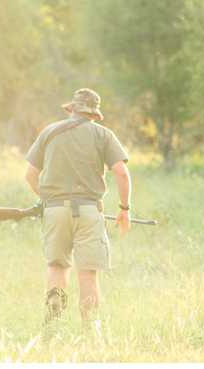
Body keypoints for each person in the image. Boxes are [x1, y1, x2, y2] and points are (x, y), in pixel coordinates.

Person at [25, 88, 131, 339]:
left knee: (57, 267)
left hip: (54, 210)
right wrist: (124, 209)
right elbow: (122, 173)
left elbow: (29, 175)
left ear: (71, 109)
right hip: (89, 210)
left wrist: (47, 200)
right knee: (88, 272)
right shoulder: (103, 134)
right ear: (94, 114)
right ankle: (91, 334)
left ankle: (52, 326)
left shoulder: (49, 132)